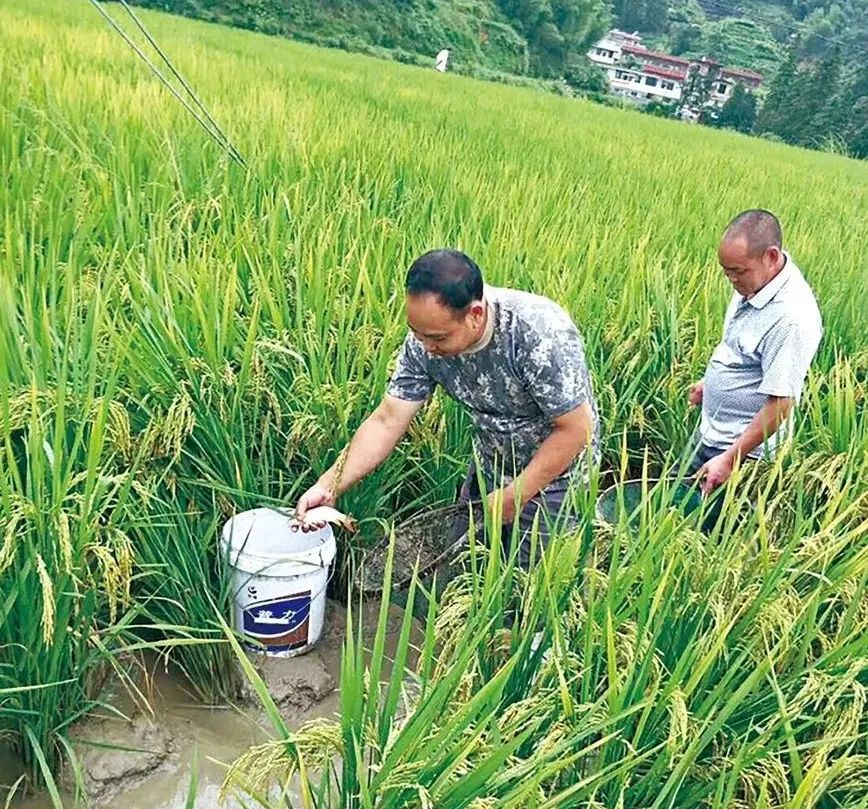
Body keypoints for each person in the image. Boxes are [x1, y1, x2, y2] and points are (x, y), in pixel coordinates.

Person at [296, 249, 600, 568]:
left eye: (438, 338)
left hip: (558, 480)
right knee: (469, 567)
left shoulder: (538, 335)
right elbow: (387, 420)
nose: (427, 348)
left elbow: (576, 429)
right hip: (490, 464)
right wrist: (328, 485)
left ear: (475, 315)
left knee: (532, 583)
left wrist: (517, 494)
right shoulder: (424, 343)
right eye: (418, 334)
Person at [687, 210, 823, 495]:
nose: (731, 280)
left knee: (708, 521)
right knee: (673, 506)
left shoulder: (792, 318)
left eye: (737, 272)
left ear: (771, 257)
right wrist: (709, 383)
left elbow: (781, 404)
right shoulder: (755, 282)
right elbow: (739, 347)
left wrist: (729, 460)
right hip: (711, 435)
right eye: (726, 271)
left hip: (743, 457)